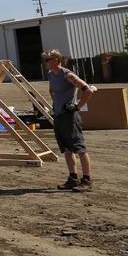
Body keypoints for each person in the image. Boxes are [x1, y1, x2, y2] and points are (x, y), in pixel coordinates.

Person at [44, 48, 96, 191]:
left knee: (79, 148)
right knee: (67, 148)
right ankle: (73, 178)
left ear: (56, 60)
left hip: (70, 116)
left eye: (47, 59)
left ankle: (87, 180)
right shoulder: (51, 75)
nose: (45, 63)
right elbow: (51, 90)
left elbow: (88, 90)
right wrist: (57, 104)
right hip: (59, 115)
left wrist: (77, 106)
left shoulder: (68, 75)